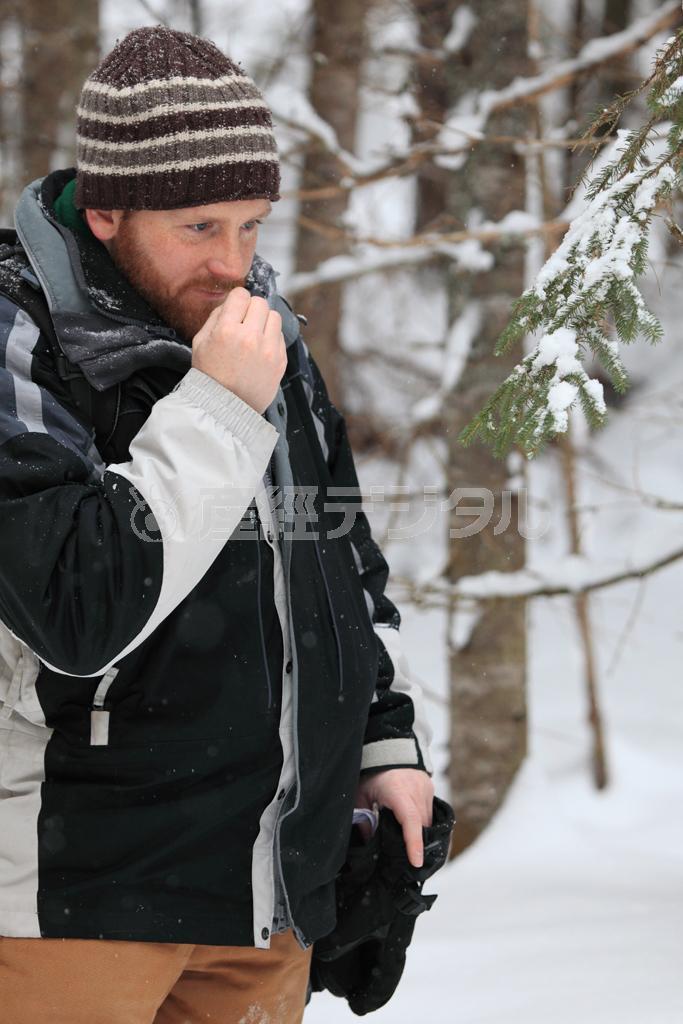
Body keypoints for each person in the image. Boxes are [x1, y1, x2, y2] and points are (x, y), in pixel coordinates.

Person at [0, 25, 434, 1024]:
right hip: (75, 901)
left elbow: (339, 556)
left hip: (265, 897)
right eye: (199, 228)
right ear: (104, 209)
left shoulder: (256, 329)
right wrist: (221, 406)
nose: (232, 266)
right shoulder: (21, 343)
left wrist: (384, 745)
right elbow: (79, 601)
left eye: (251, 225)